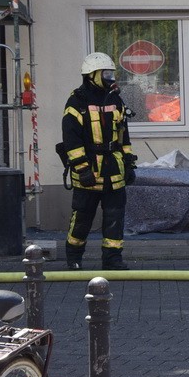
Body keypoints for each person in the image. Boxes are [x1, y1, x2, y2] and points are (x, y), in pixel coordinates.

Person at [62, 52, 137, 271]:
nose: (110, 77)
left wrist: (129, 164)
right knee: (82, 218)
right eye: (105, 73)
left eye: (111, 73)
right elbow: (71, 139)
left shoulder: (115, 100)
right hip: (88, 172)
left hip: (114, 170)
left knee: (115, 217)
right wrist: (82, 168)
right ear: (91, 75)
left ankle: (112, 260)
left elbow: (124, 135)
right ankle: (74, 258)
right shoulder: (76, 101)